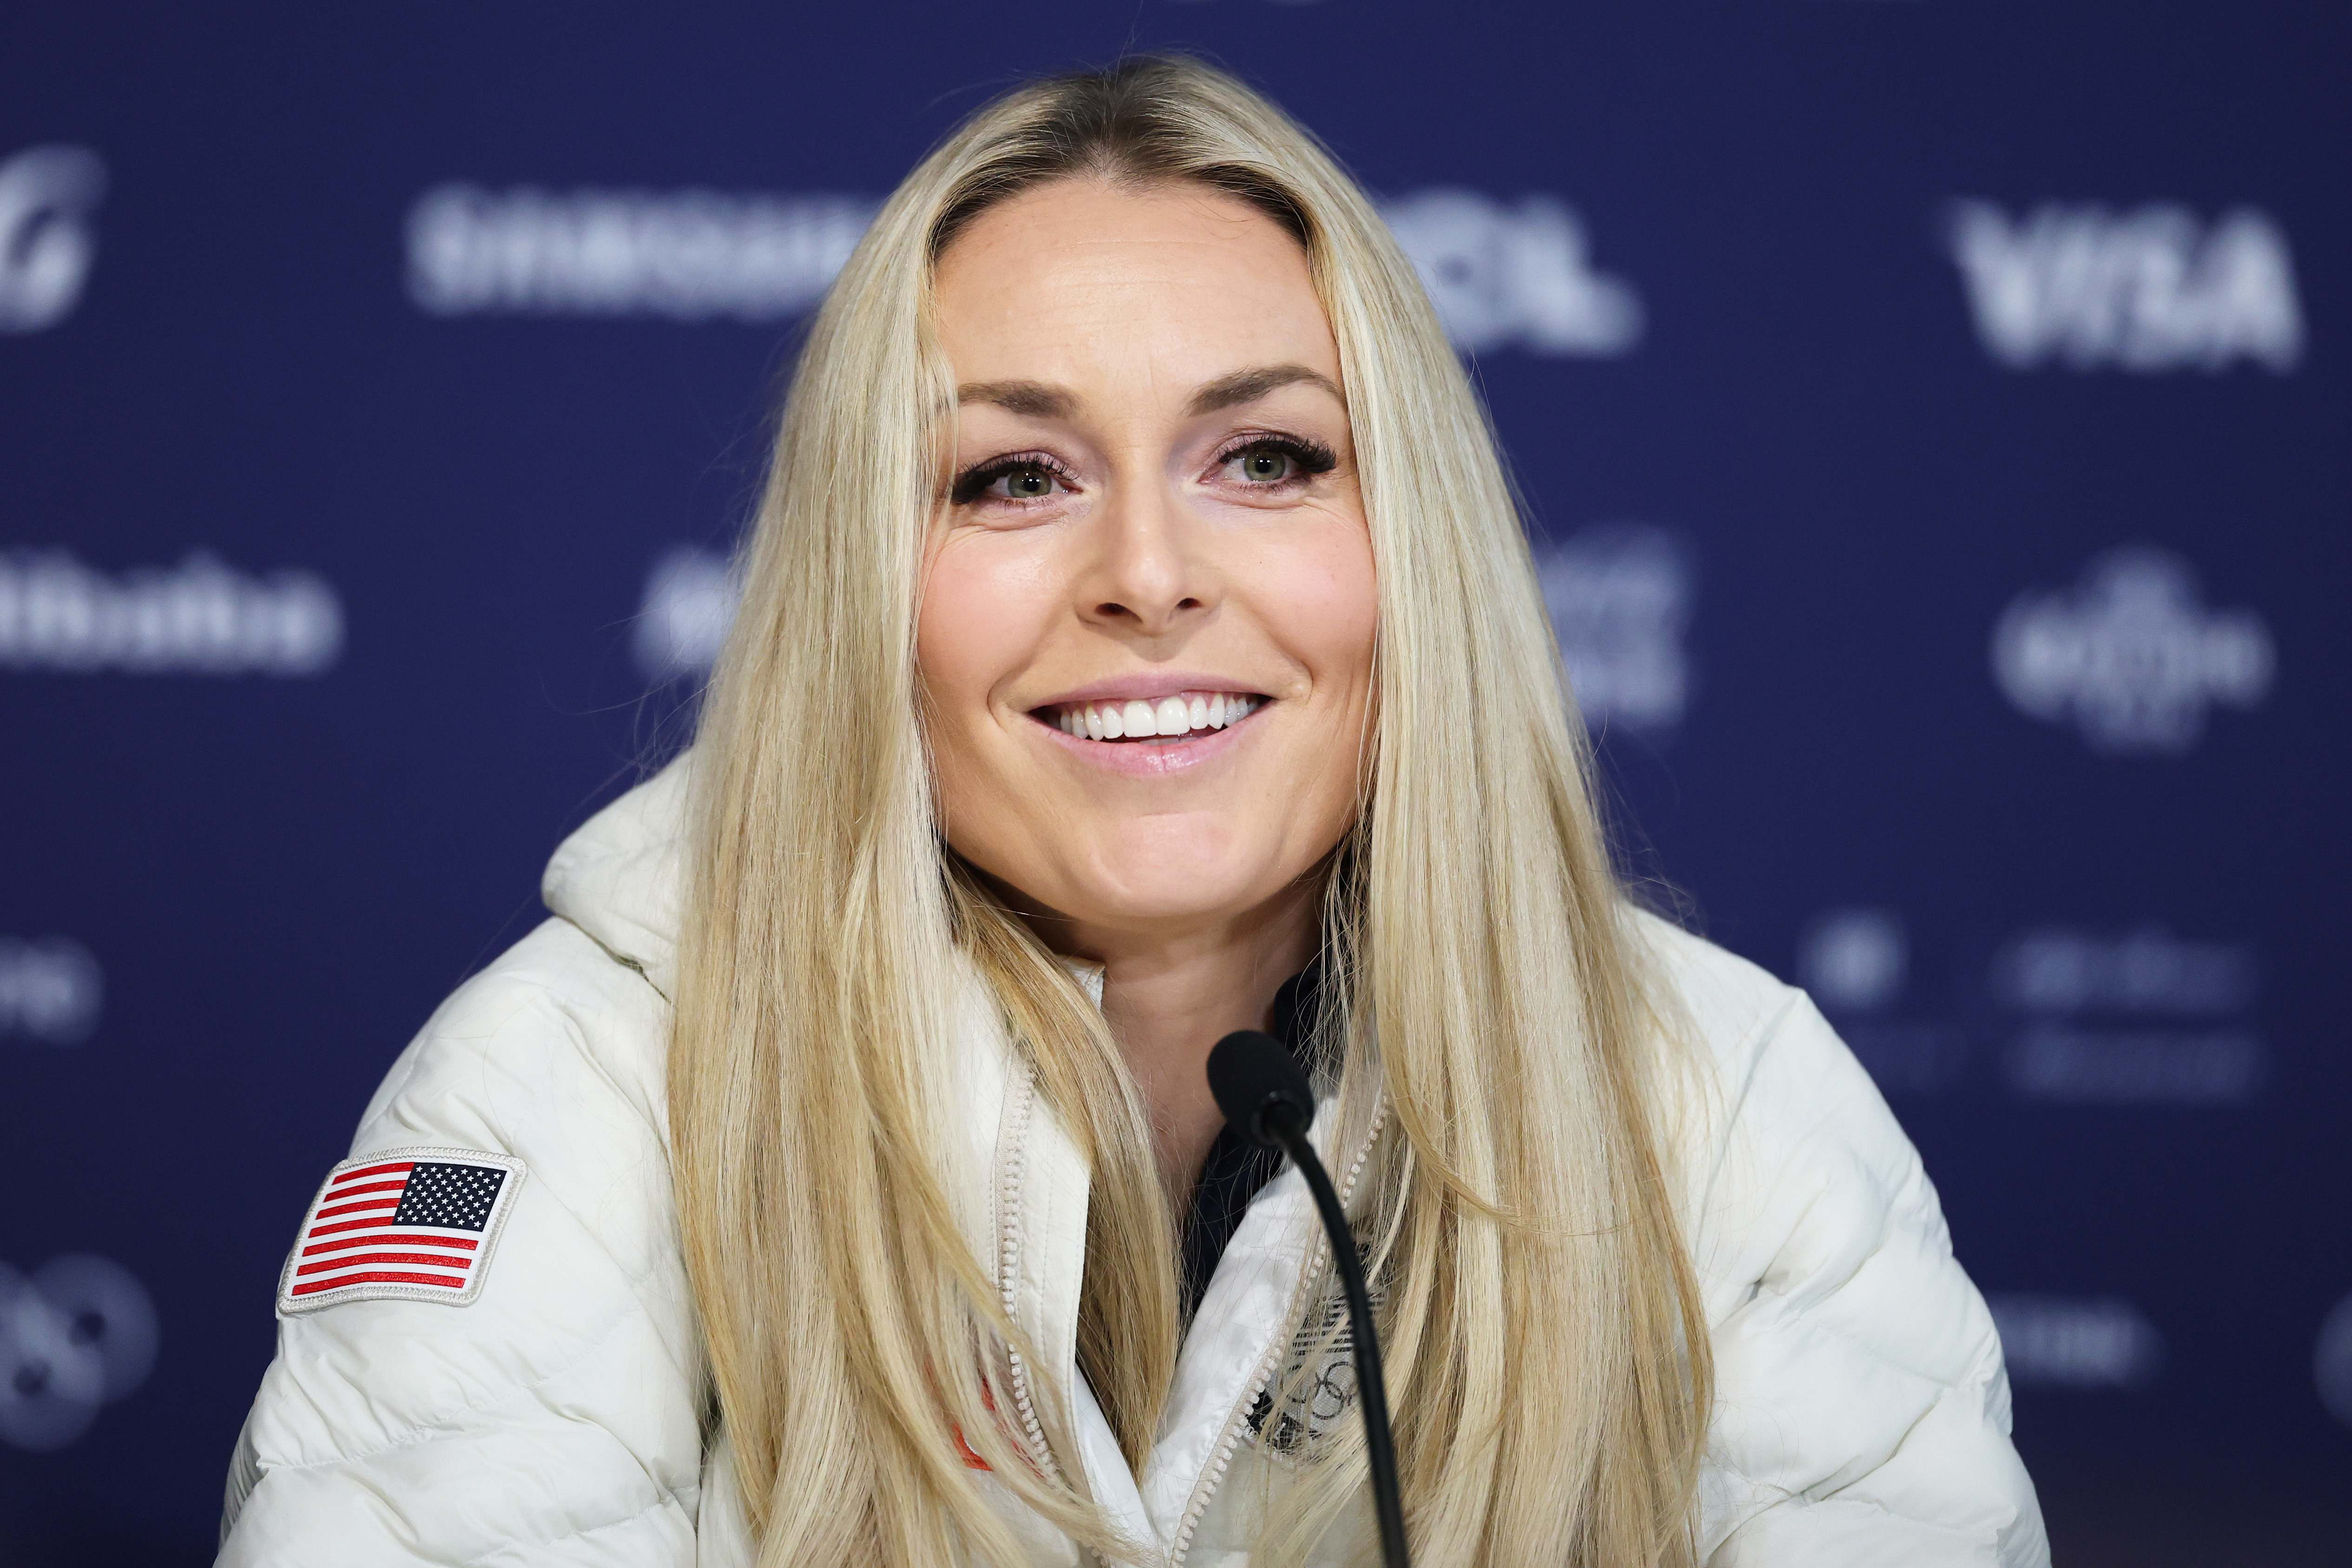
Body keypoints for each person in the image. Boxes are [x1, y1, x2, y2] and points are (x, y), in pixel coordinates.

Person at [218, 56, 2046, 1568]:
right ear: (866, 588)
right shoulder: (566, 1091)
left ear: (1409, 545)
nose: (1149, 575)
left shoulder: (1724, 1112)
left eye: (1265, 457)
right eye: (1011, 476)